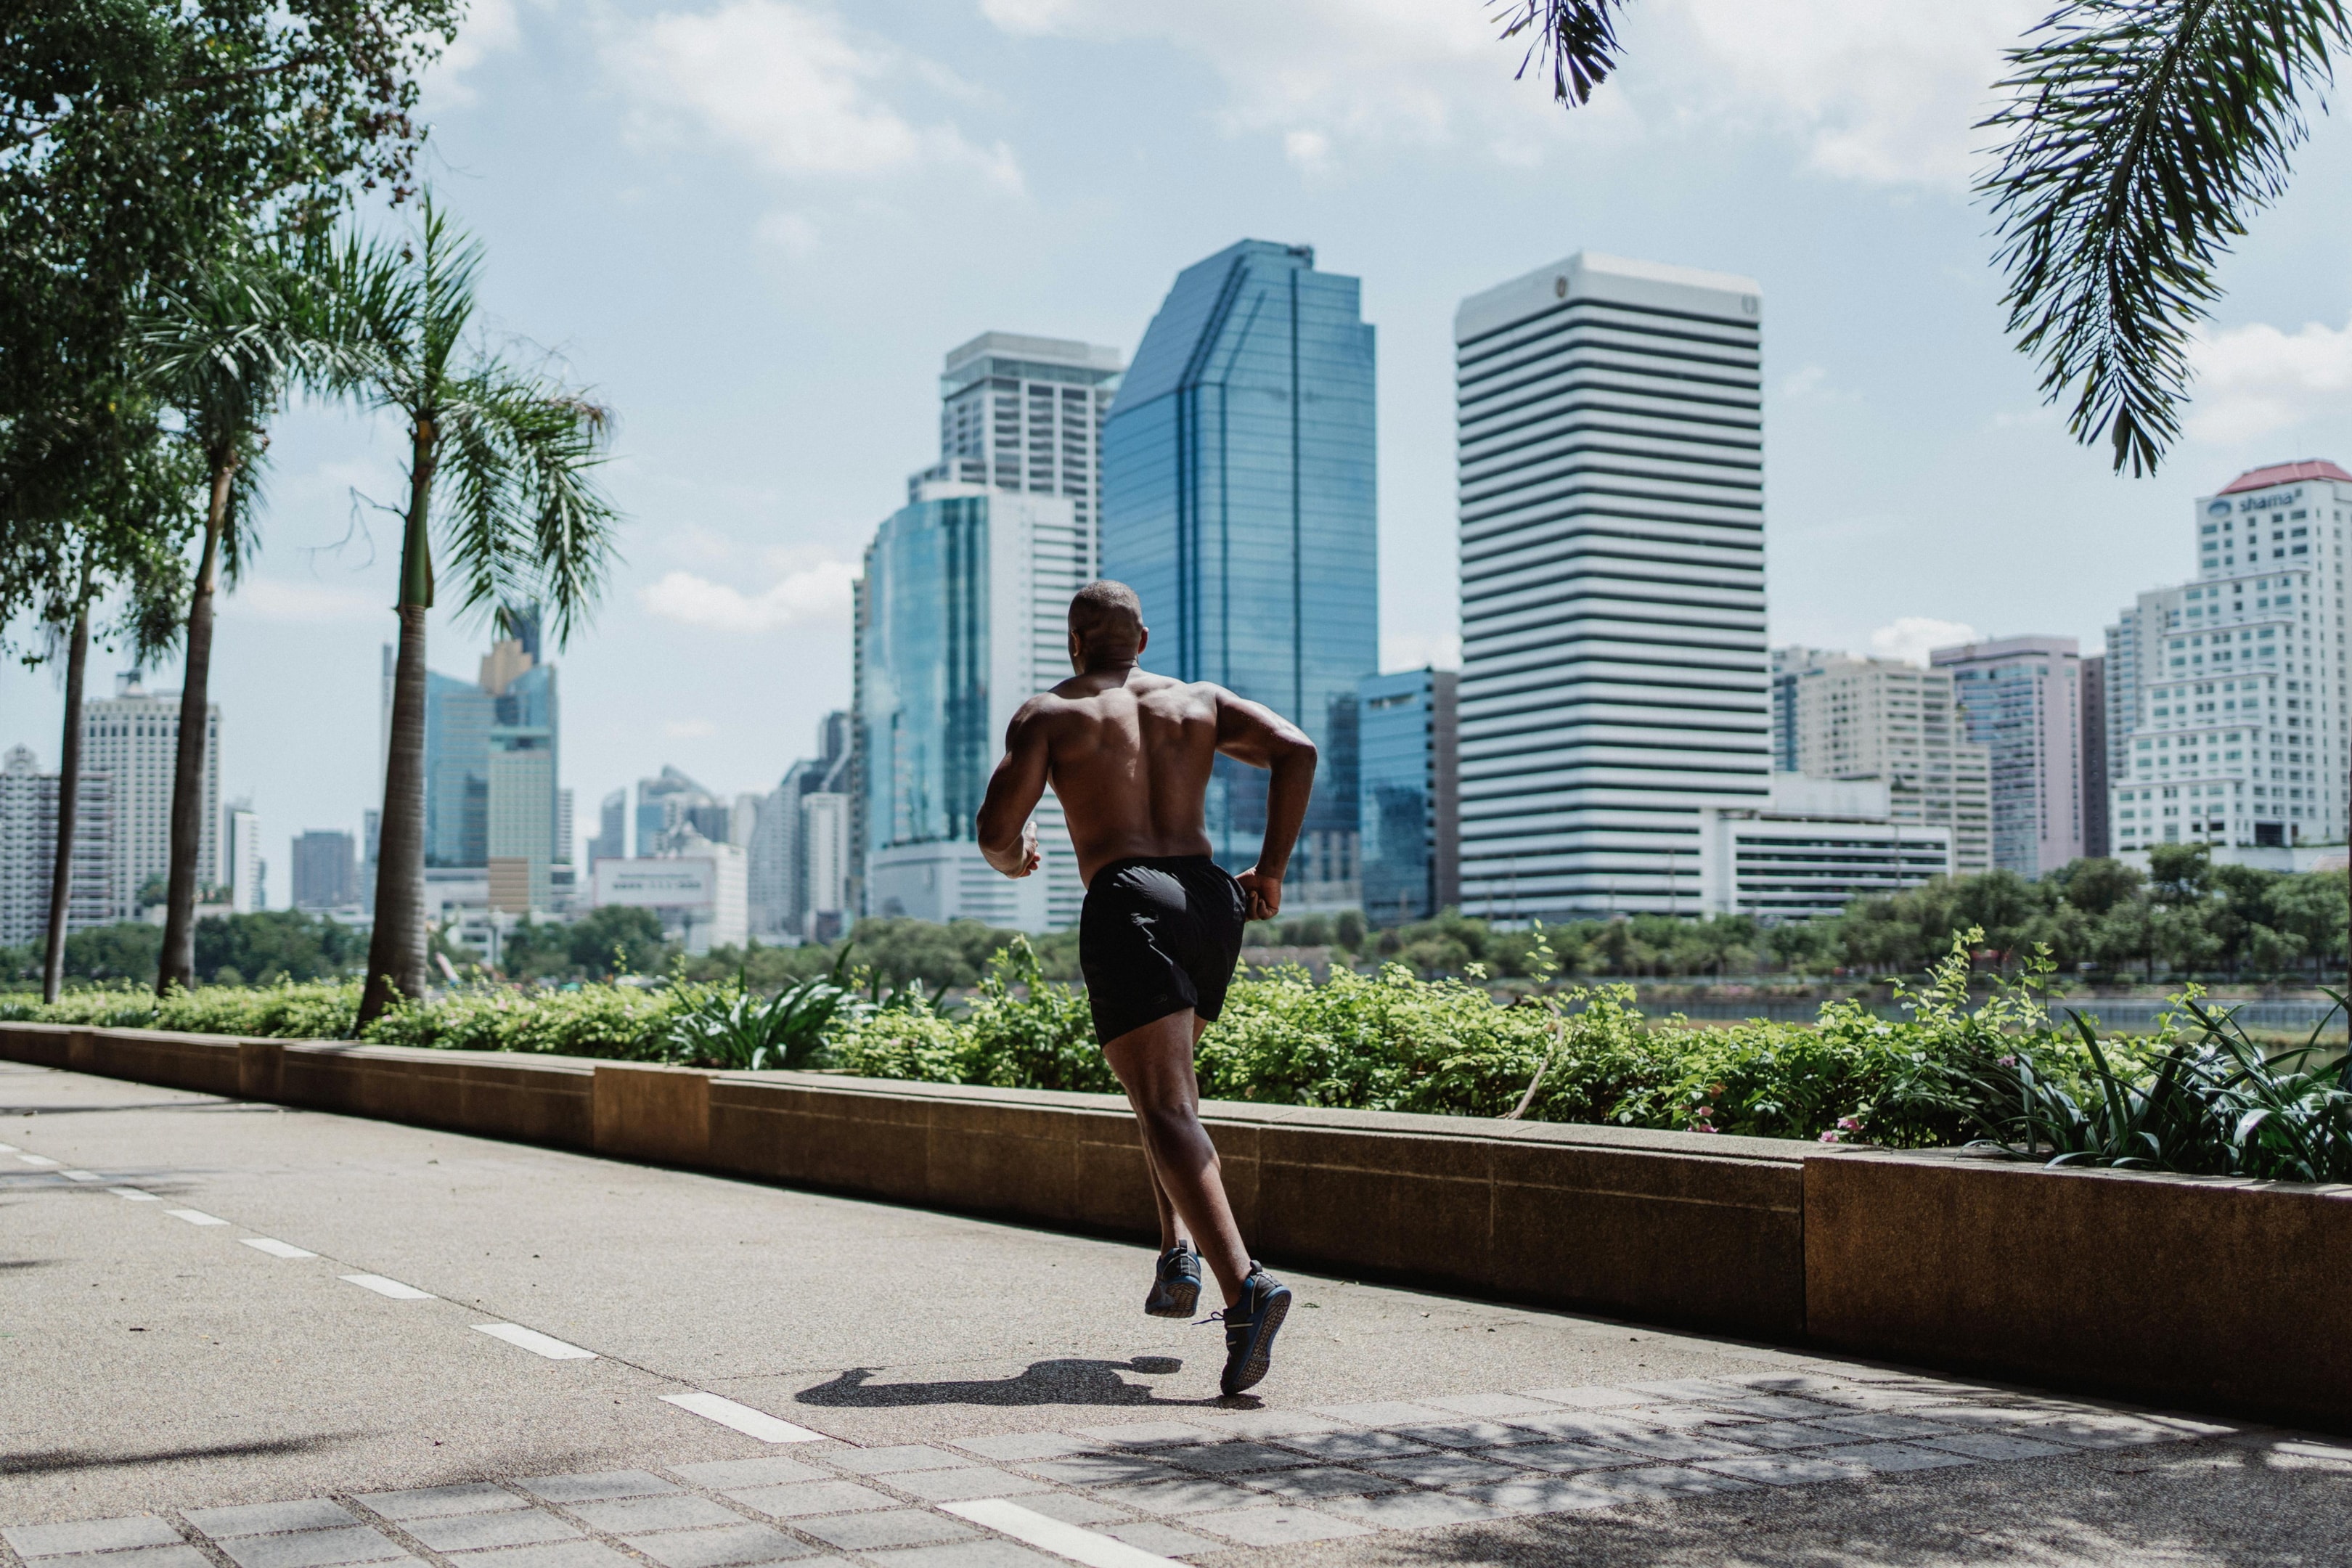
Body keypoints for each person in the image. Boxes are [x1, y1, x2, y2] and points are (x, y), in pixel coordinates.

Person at [976, 580, 1317, 1397]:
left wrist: (1013, 855)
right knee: (1168, 1098)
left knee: (1164, 1105)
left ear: (1074, 641)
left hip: (1130, 895)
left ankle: (1246, 1291)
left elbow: (994, 831)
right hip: (1210, 899)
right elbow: (1296, 750)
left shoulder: (1051, 714)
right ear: (1144, 638)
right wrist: (1270, 869)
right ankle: (1177, 1256)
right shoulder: (1198, 702)